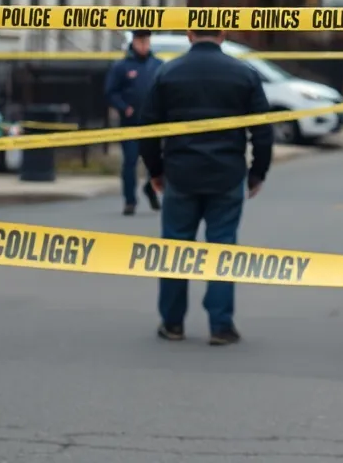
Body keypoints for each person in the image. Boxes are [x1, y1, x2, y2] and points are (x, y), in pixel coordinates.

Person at [138, 29, 273, 346]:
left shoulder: (167, 72)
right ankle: (221, 325)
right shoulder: (244, 74)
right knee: (222, 248)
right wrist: (257, 173)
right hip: (226, 173)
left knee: (175, 249)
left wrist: (155, 170)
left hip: (180, 173)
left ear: (189, 34)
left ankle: (172, 323)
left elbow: (148, 128)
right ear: (223, 34)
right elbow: (262, 131)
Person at [105, 30, 163, 215]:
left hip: (153, 124)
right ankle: (130, 200)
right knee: (130, 162)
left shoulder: (158, 65)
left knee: (156, 162)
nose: (144, 45)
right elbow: (110, 92)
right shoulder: (122, 66)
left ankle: (151, 189)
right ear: (134, 42)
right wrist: (123, 107)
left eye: (146, 41)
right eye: (140, 41)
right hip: (131, 123)